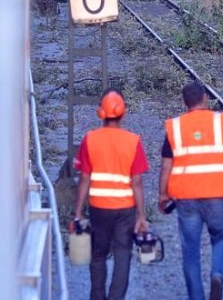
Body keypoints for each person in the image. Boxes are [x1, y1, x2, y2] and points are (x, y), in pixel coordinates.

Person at [158, 81, 223, 300]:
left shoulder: (175, 127)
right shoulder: (221, 122)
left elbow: (166, 166)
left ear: (185, 102)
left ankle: (196, 297)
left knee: (190, 251)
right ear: (205, 98)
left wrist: (162, 194)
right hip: (217, 193)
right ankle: (217, 274)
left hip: (185, 197)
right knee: (221, 237)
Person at [73, 89, 150, 300]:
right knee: (122, 254)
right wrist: (141, 216)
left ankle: (97, 296)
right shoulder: (133, 141)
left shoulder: (90, 139)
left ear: (100, 112)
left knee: (98, 254)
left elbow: (84, 179)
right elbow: (137, 182)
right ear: (123, 113)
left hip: (99, 207)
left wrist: (78, 213)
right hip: (125, 208)